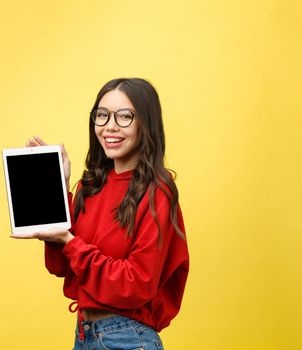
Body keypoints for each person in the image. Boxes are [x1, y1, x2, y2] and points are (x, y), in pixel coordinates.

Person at [13, 78, 189, 350]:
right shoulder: (90, 185)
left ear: (146, 123)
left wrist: (70, 242)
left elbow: (136, 283)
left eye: (125, 117)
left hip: (128, 338)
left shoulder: (158, 192)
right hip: (84, 335)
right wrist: (57, 192)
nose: (110, 126)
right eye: (102, 115)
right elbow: (61, 267)